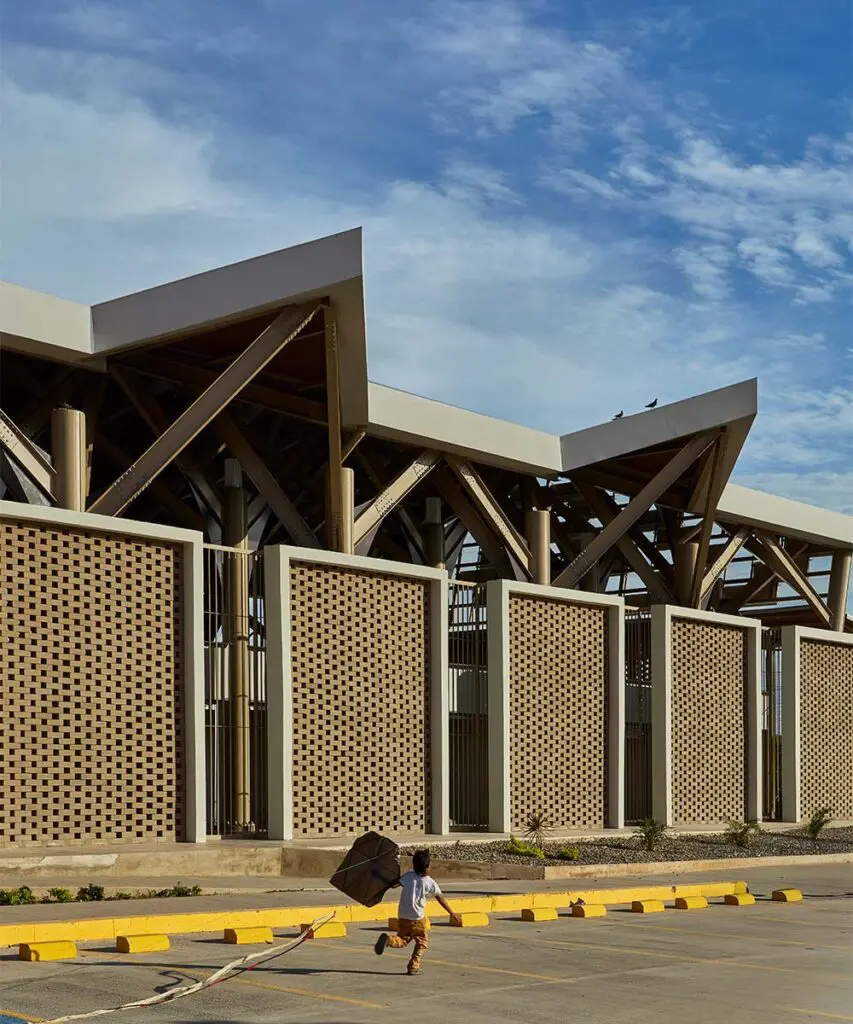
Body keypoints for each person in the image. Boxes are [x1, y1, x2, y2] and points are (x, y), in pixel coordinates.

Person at [374, 848, 461, 975]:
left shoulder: (408, 877)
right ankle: (413, 966)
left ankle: (389, 940)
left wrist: (380, 875)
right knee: (422, 942)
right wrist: (452, 914)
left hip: (403, 916)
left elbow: (393, 885)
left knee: (403, 940)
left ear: (414, 865)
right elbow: (440, 899)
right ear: (428, 866)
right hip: (417, 918)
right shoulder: (430, 883)